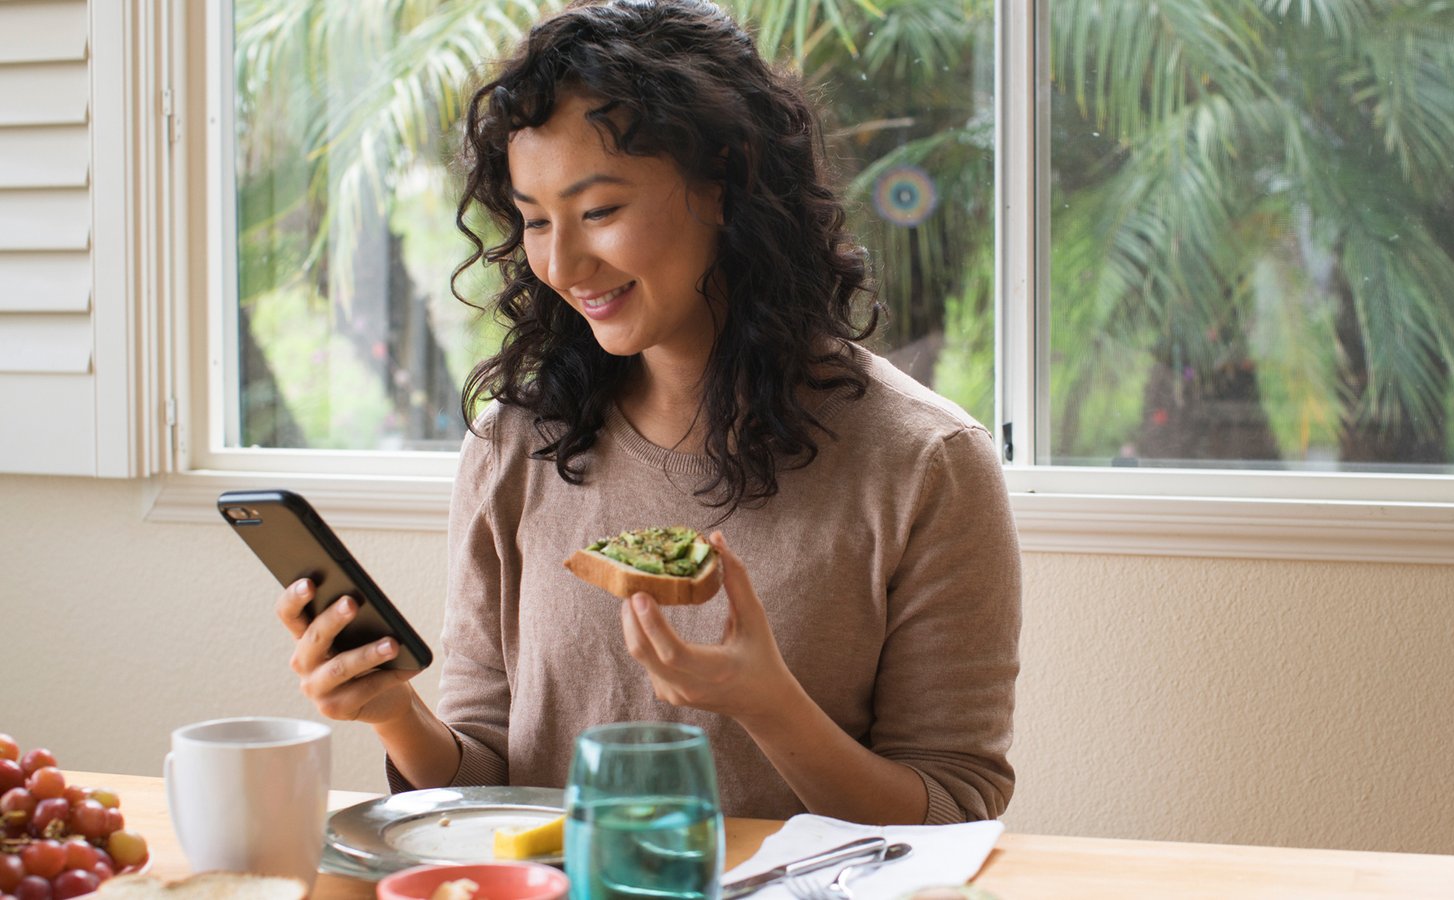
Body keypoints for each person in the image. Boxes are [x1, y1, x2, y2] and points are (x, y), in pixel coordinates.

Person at [276, 0, 1020, 826]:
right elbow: (488, 777)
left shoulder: (926, 462)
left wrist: (768, 703)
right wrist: (392, 712)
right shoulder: (516, 444)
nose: (562, 262)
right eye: (533, 220)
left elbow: (956, 808)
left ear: (727, 183)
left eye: (599, 212)